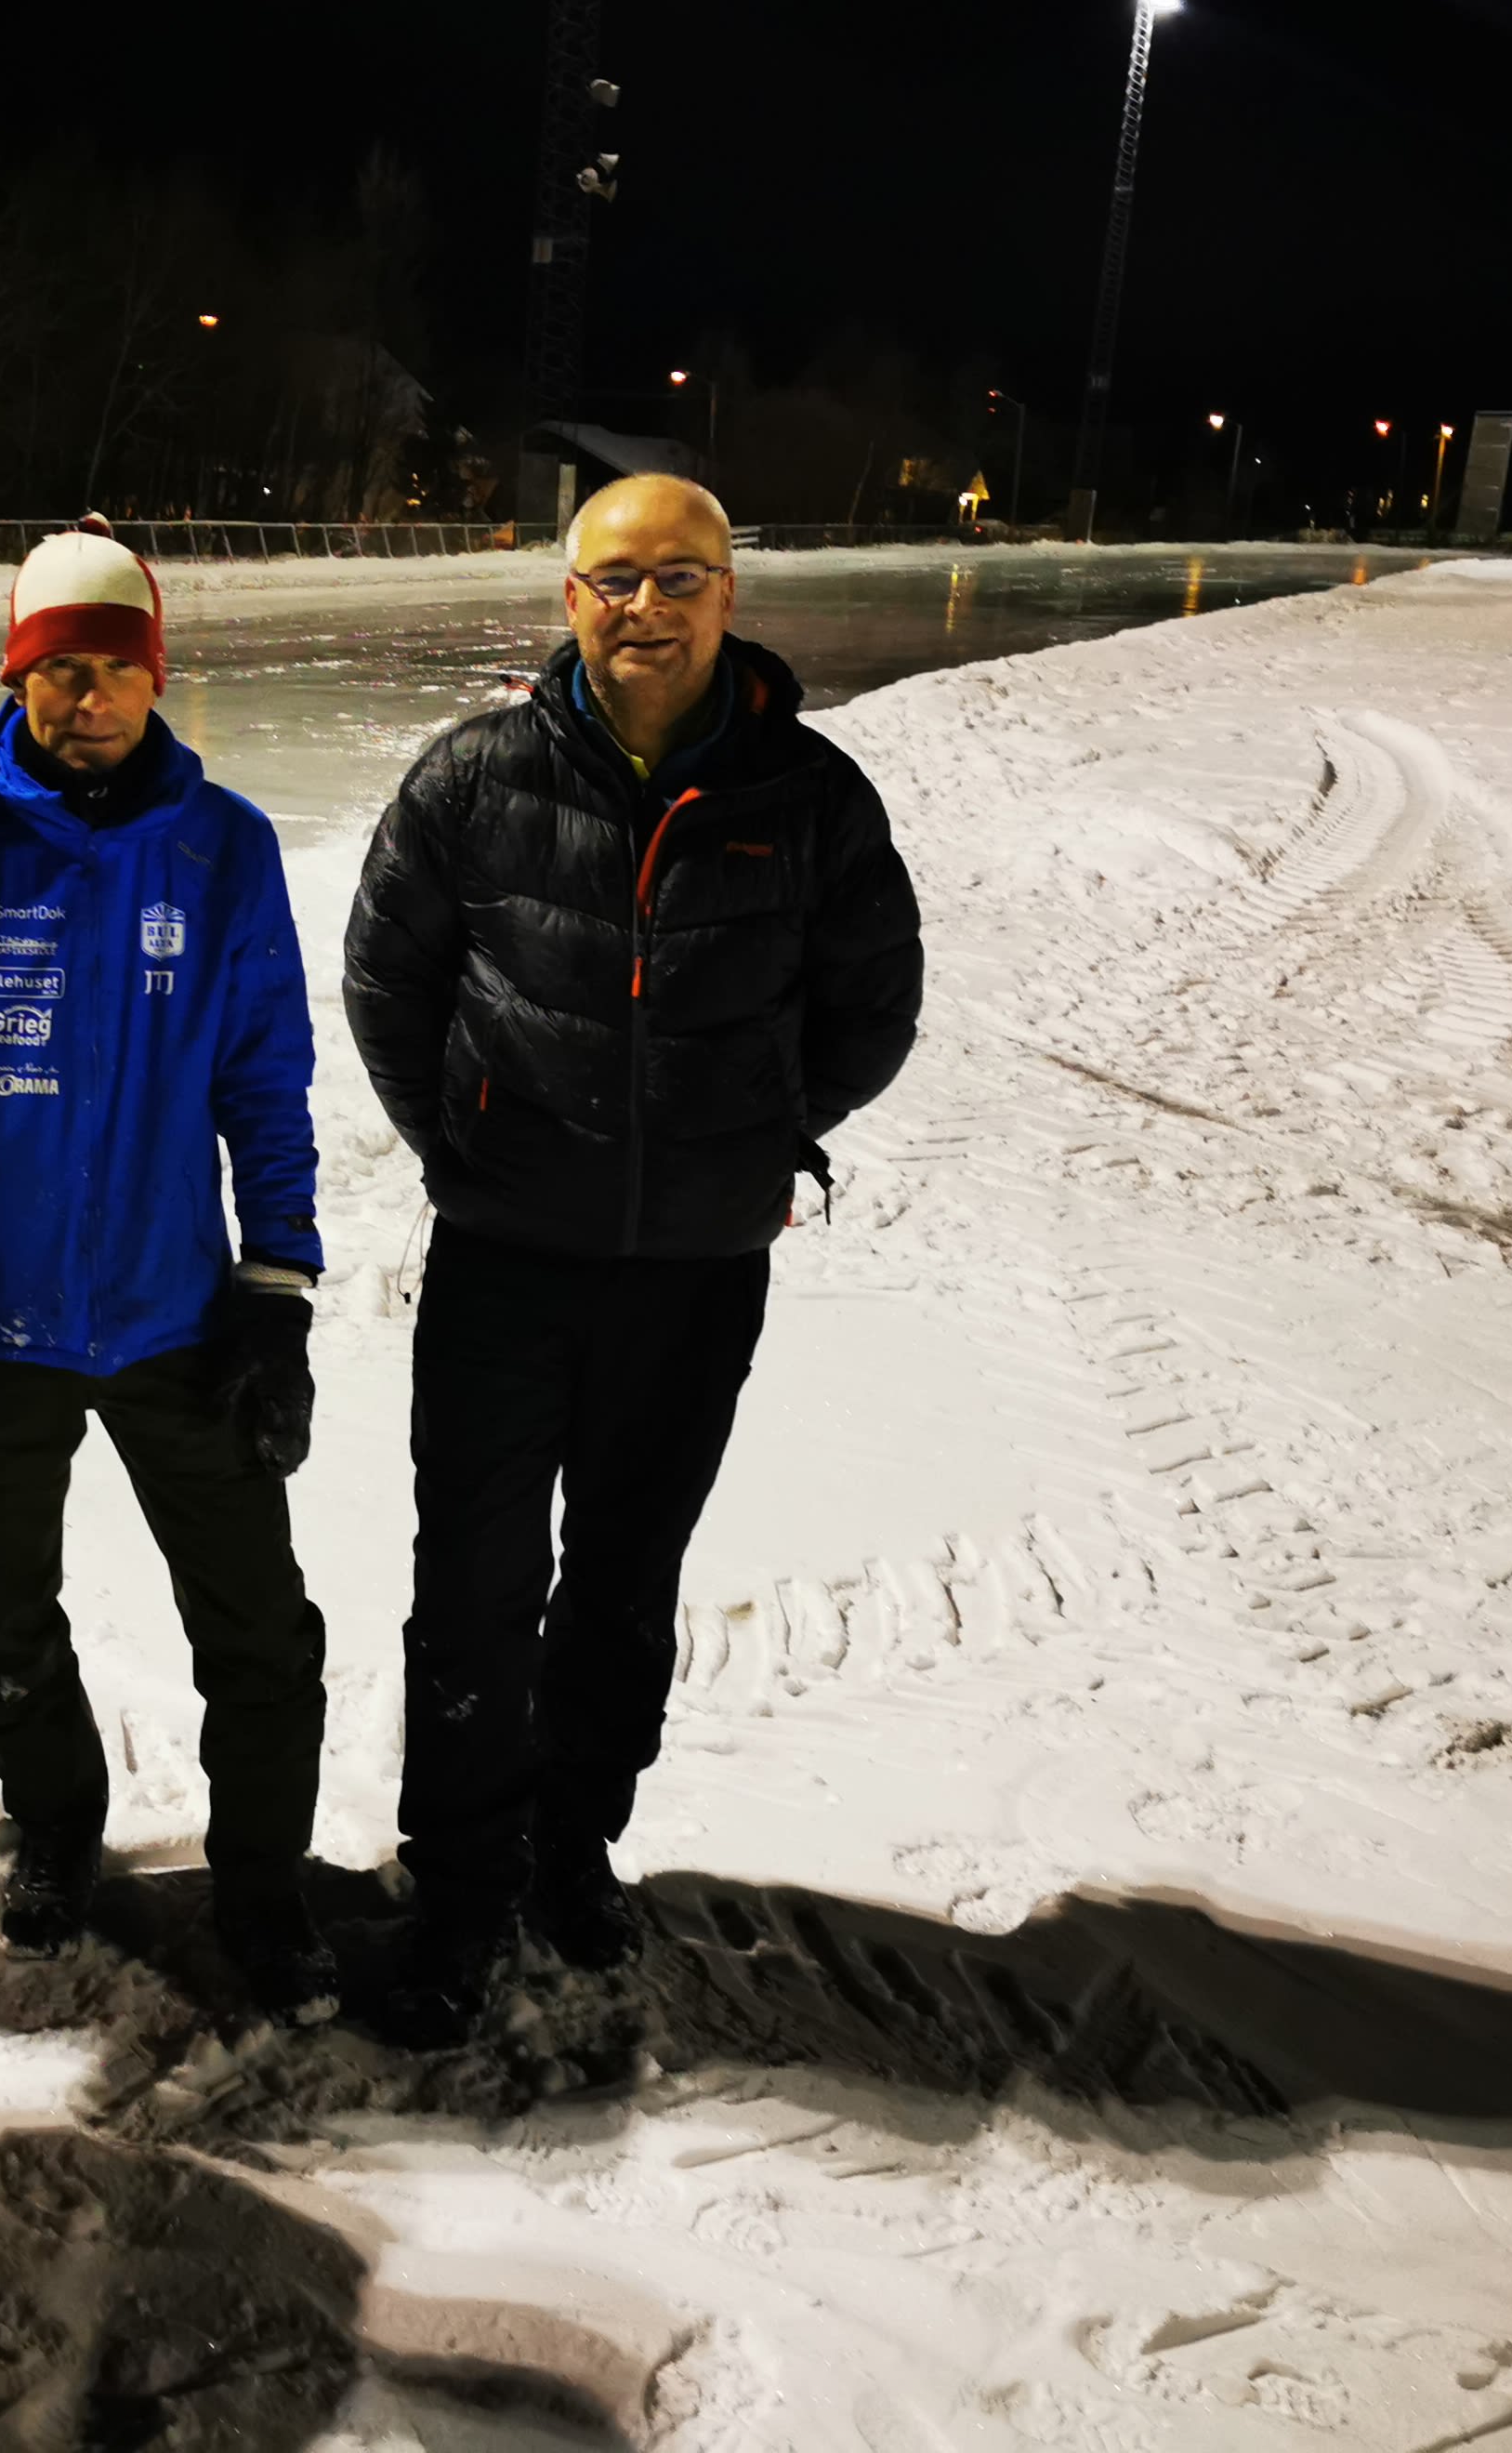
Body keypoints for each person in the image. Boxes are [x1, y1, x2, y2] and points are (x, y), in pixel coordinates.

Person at [341, 473, 925, 2046]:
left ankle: (570, 1846)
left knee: (622, 1579)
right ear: (571, 598)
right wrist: (463, 1144)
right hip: (504, 1264)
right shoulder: (475, 778)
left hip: (694, 1273)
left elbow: (876, 1007)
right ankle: (460, 1884)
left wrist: (751, 1138)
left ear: (729, 596)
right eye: (616, 579)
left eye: (678, 578)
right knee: (473, 1587)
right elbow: (388, 981)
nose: (645, 608)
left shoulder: (811, 797)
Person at [0, 518, 334, 2022]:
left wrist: (279, 1292)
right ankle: (58, 1821)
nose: (87, 697)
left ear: (154, 676)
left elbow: (265, 1080)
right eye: (57, 670)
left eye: (114, 668)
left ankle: (264, 1882)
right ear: (19, 680)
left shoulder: (223, 850)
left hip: (178, 1316)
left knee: (260, 1629)